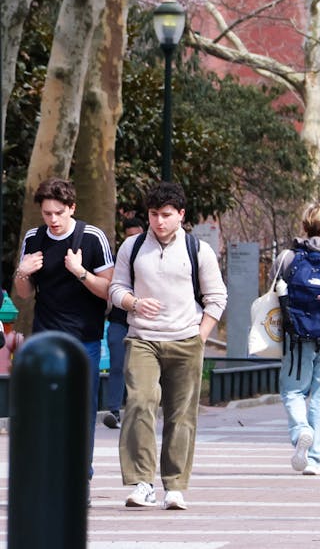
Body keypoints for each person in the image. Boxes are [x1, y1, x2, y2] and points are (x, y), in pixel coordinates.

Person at [109, 181, 227, 510]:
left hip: (185, 341)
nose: (159, 221)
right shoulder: (131, 248)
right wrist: (133, 302)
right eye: (153, 214)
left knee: (181, 415)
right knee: (139, 404)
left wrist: (200, 337)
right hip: (143, 338)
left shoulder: (197, 250)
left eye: (166, 215)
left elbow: (217, 297)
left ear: (181, 215)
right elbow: (116, 289)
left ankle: (175, 485)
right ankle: (142, 482)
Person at [14, 177, 115, 484]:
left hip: (85, 339)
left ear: (72, 207)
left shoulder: (92, 238)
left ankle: (79, 476)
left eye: (59, 212)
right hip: (46, 338)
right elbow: (24, 293)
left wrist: (80, 272)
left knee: (81, 412)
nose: (53, 220)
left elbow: (108, 291)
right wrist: (22, 271)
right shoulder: (33, 239)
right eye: (47, 214)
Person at [271, 204, 320, 475]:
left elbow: (273, 289)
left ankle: (301, 430)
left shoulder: (287, 258)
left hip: (296, 335)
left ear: (304, 226)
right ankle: (314, 460)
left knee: (293, 390)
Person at [104, 216, 145, 429]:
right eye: (128, 236)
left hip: (144, 323)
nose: (132, 240)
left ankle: (137, 411)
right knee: (118, 365)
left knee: (140, 369)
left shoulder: (152, 257)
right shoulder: (118, 258)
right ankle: (113, 411)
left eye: (136, 235)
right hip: (119, 322)